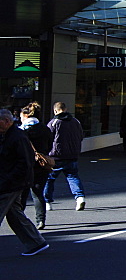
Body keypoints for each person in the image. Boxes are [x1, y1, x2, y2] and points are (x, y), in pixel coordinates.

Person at [0, 109, 49, 256]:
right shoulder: (8, 135)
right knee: (15, 214)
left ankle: (36, 242)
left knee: (11, 212)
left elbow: (24, 163)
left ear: (7, 121)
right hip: (11, 181)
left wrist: (8, 180)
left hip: (11, 183)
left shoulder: (17, 137)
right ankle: (36, 242)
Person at [44, 101, 86, 212]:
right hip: (72, 155)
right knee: (73, 177)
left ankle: (47, 202)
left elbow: (48, 138)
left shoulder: (54, 122)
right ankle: (79, 197)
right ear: (66, 109)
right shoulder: (76, 121)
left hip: (56, 156)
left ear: (55, 110)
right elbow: (81, 136)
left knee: (49, 179)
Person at [19, 103, 52, 230]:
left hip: (26, 166)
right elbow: (50, 145)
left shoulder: (22, 130)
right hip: (41, 165)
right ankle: (41, 220)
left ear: (26, 115)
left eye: (22, 116)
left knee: (22, 194)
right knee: (38, 194)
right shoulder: (45, 128)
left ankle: (20, 219)